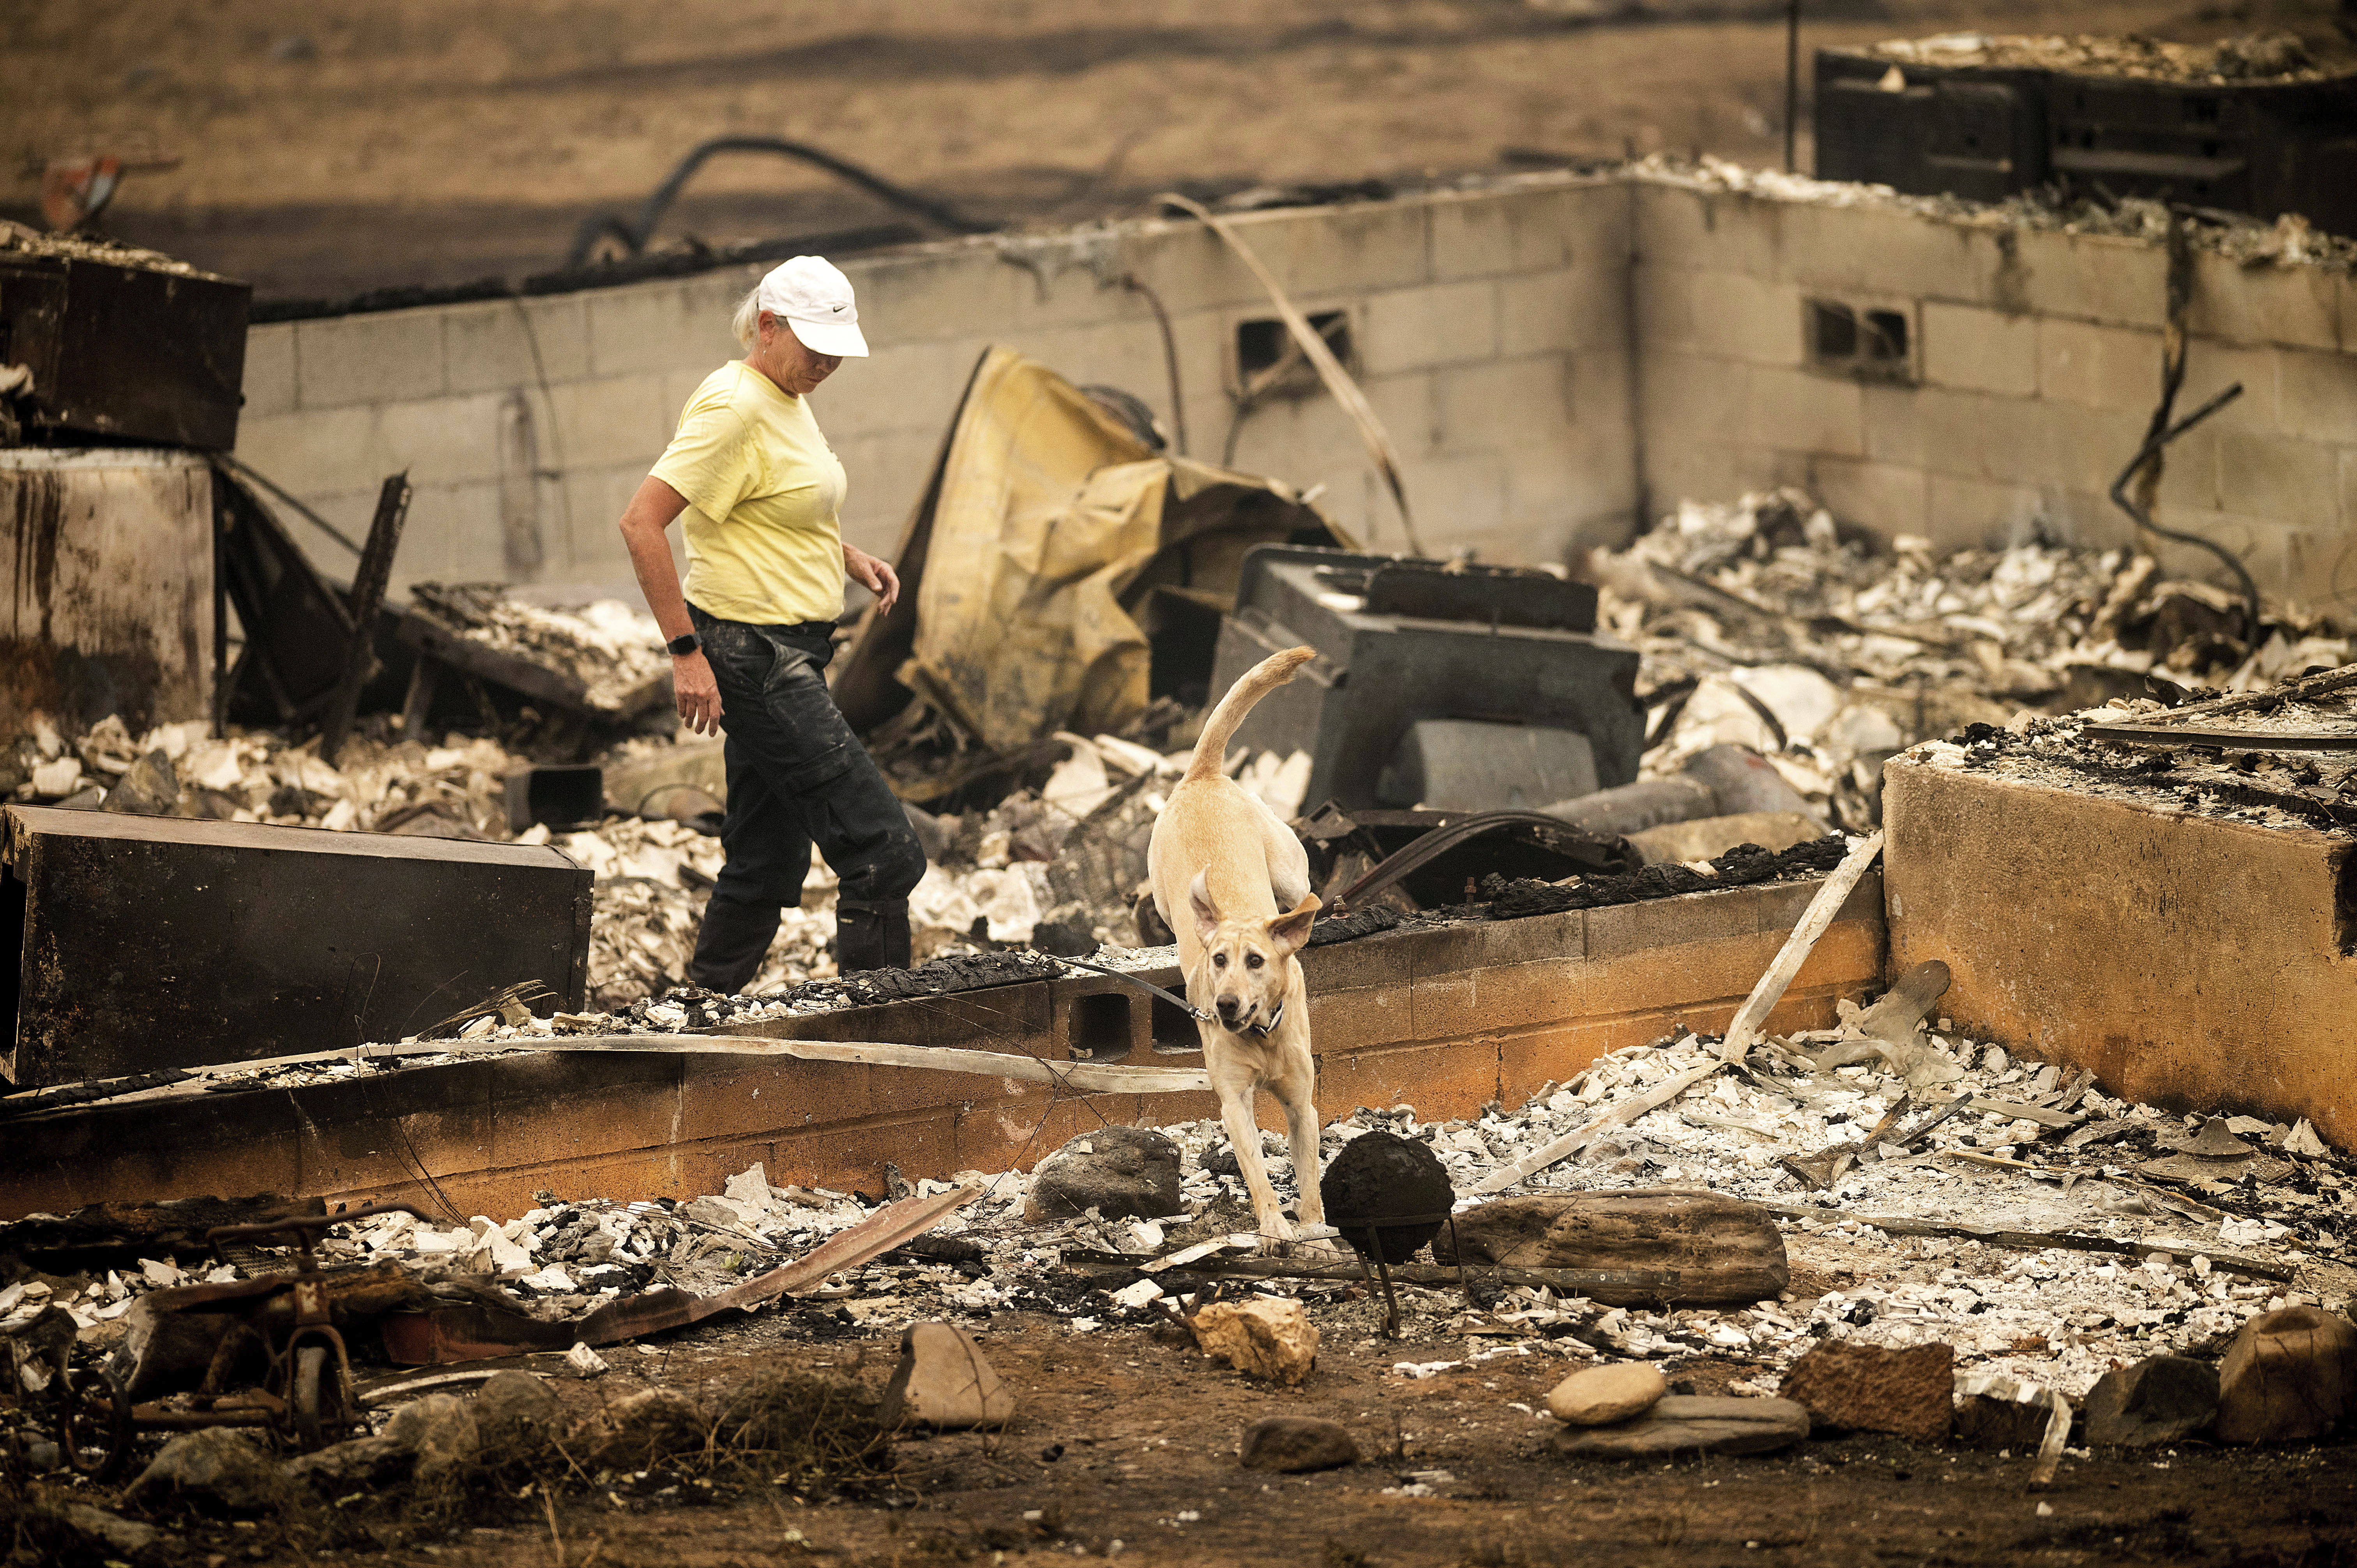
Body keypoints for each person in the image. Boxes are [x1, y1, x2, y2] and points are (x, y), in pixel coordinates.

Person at [617, 255, 925, 989]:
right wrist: (684, 653)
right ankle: (883, 1036)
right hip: (755, 658)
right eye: (814, 346)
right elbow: (640, 524)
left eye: (836, 351)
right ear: (768, 326)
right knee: (884, 853)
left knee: (765, 862)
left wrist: (843, 555)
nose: (826, 362)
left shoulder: (785, 394)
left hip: (786, 652)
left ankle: (699, 1011)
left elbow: (769, 502)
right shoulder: (734, 407)